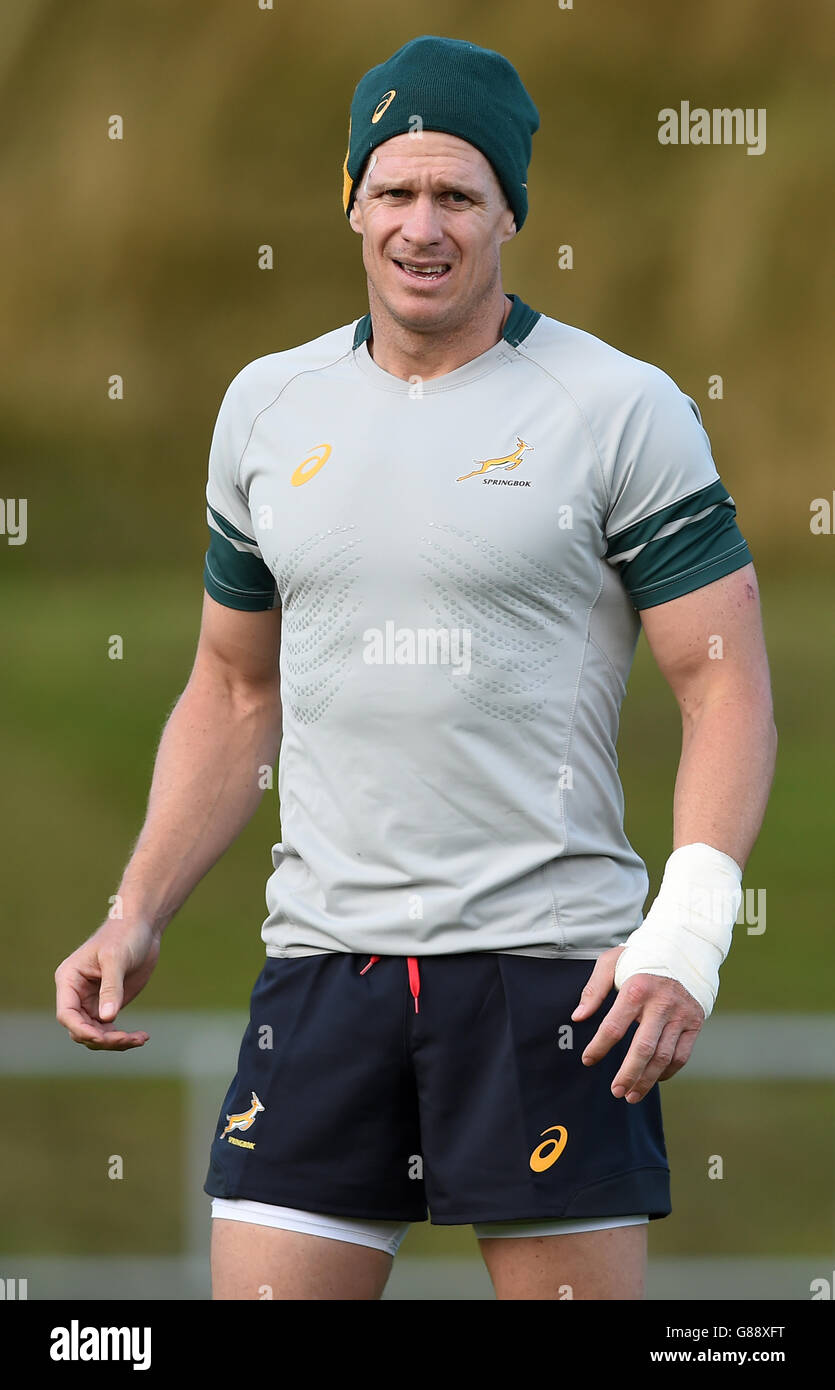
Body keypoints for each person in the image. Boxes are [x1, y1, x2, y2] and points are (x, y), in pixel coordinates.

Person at [55, 35, 777, 1301]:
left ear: (509, 212)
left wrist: (690, 931)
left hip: (553, 976)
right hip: (325, 971)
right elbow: (233, 688)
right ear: (350, 202)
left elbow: (725, 684)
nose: (422, 227)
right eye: (394, 192)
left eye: (457, 195)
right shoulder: (267, 409)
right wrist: (138, 909)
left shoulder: (620, 405)